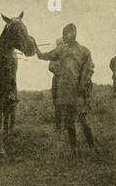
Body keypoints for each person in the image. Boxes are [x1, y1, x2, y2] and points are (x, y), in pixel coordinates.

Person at [35, 23, 96, 156]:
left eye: (65, 33)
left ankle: (92, 147)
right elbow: (43, 56)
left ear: (73, 33)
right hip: (65, 93)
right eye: (62, 34)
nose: (63, 36)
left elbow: (88, 71)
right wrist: (34, 45)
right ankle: (74, 149)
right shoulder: (60, 50)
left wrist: (81, 86)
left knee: (84, 121)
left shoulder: (84, 51)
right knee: (69, 122)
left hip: (79, 93)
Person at [48, 38, 65, 132]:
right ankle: (58, 126)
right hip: (56, 80)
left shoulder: (68, 54)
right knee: (56, 103)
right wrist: (57, 72)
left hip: (66, 80)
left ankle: (66, 126)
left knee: (66, 103)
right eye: (58, 45)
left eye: (61, 45)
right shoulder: (54, 55)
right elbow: (50, 67)